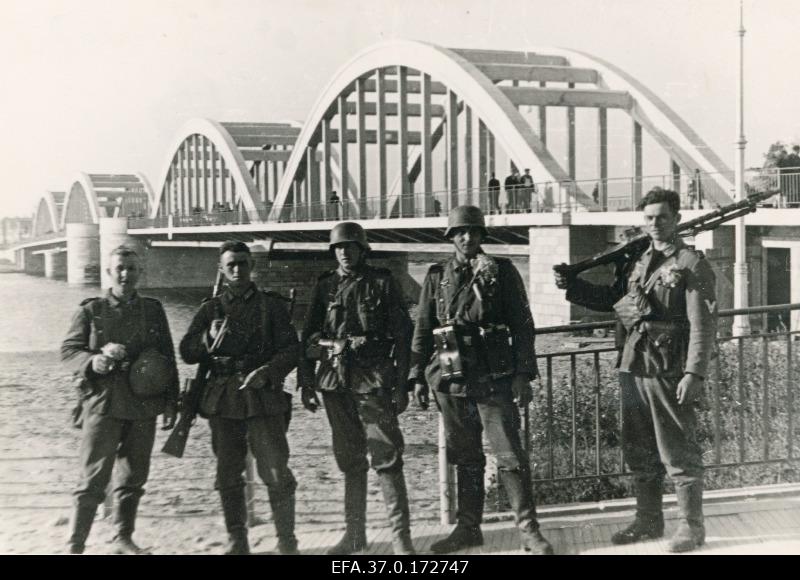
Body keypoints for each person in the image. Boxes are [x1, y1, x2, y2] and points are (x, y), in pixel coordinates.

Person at [554, 187, 717, 553]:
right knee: (638, 448)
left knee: (677, 451)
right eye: (649, 218)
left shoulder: (690, 264)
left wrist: (694, 374)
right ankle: (648, 520)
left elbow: (702, 324)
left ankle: (692, 528)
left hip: (668, 370)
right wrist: (573, 286)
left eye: (662, 217)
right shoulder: (639, 261)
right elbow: (615, 302)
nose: (655, 224)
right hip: (633, 366)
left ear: (676, 219)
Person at [409, 205, 553, 555]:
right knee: (466, 456)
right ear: (451, 237)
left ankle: (529, 530)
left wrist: (522, 374)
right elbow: (423, 328)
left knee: (510, 455)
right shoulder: (436, 276)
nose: (467, 237)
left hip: (494, 376)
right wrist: (415, 376)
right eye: (460, 232)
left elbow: (522, 325)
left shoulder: (501, 272)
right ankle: (468, 528)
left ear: (482, 236)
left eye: (474, 231)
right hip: (451, 375)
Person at [298, 222, 415, 555]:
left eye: (351, 247)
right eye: (339, 248)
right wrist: (307, 381)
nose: (345, 253)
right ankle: (354, 536)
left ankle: (401, 541)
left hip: (374, 382)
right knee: (349, 460)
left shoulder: (382, 283)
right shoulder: (325, 287)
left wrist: (403, 385)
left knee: (387, 458)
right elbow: (307, 337)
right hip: (335, 384)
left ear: (363, 250)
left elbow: (404, 337)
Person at [179, 241, 300, 555]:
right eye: (230, 264)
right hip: (223, 400)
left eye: (243, 263)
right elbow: (187, 352)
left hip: (262, 396)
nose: (237, 270)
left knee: (276, 472)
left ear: (252, 267)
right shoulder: (210, 309)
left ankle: (287, 543)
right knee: (228, 474)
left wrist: (268, 372)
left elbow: (291, 350)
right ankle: (238, 542)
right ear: (221, 269)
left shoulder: (271, 306)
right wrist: (208, 337)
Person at [61, 245, 179, 555]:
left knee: (133, 476)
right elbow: (69, 351)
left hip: (143, 403)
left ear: (140, 273)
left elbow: (167, 356)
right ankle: (76, 545)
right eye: (120, 268)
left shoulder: (152, 309)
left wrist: (171, 401)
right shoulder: (91, 310)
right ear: (109, 272)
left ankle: (123, 537)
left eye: (132, 268)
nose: (126, 274)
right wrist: (93, 361)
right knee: (93, 478)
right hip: (103, 403)